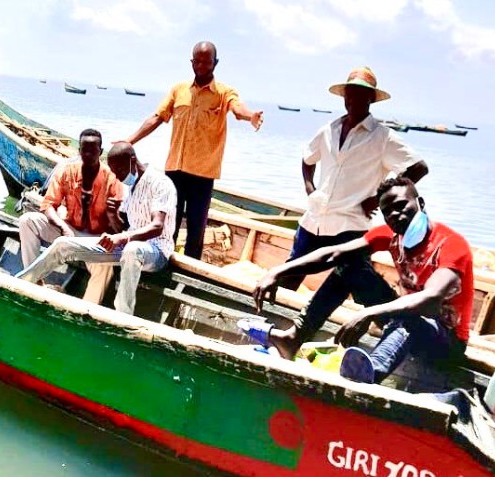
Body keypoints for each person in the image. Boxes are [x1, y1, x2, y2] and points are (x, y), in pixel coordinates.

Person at [248, 178, 473, 384]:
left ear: (420, 203)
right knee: (350, 267)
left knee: (409, 318)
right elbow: (333, 254)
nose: (396, 215)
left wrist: (369, 313)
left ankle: (368, 373)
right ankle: (293, 338)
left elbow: (430, 300)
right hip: (404, 317)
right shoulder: (391, 235)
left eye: (402, 205)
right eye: (388, 212)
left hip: (445, 341)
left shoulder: (451, 245)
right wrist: (279, 271)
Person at [279, 66, 429, 292]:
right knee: (289, 277)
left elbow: (418, 167)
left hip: (350, 224)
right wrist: (311, 190)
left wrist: (378, 199)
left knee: (356, 283)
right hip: (314, 220)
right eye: (350, 93)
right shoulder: (329, 129)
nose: (353, 99)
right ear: (344, 97)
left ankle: (391, 319)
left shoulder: (382, 137)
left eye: (360, 93)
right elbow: (307, 158)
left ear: (370, 98)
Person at [125, 41, 263, 259]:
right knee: (168, 224)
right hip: (175, 172)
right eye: (197, 61)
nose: (201, 66)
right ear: (191, 62)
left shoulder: (224, 92)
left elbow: (237, 108)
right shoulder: (179, 90)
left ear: (215, 63)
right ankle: (163, 266)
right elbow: (157, 118)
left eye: (206, 62)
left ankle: (189, 272)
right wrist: (129, 141)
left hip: (203, 174)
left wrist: (251, 116)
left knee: (196, 231)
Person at [16, 143, 177, 315]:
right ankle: (21, 284)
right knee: (63, 244)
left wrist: (123, 238)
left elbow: (157, 226)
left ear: (132, 160)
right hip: (127, 245)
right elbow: (122, 227)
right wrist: (113, 214)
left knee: (132, 249)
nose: (116, 176)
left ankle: (123, 315)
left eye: (119, 170)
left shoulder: (160, 183)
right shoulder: (131, 188)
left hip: (155, 250)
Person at [18, 129, 124, 303]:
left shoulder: (112, 179)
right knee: (27, 221)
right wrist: (63, 226)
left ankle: (86, 310)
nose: (88, 155)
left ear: (101, 152)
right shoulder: (66, 171)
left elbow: (118, 227)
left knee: (105, 267)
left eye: (93, 151)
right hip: (67, 229)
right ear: (79, 151)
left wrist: (113, 217)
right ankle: (34, 285)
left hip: (94, 239)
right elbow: (48, 205)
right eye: (84, 150)